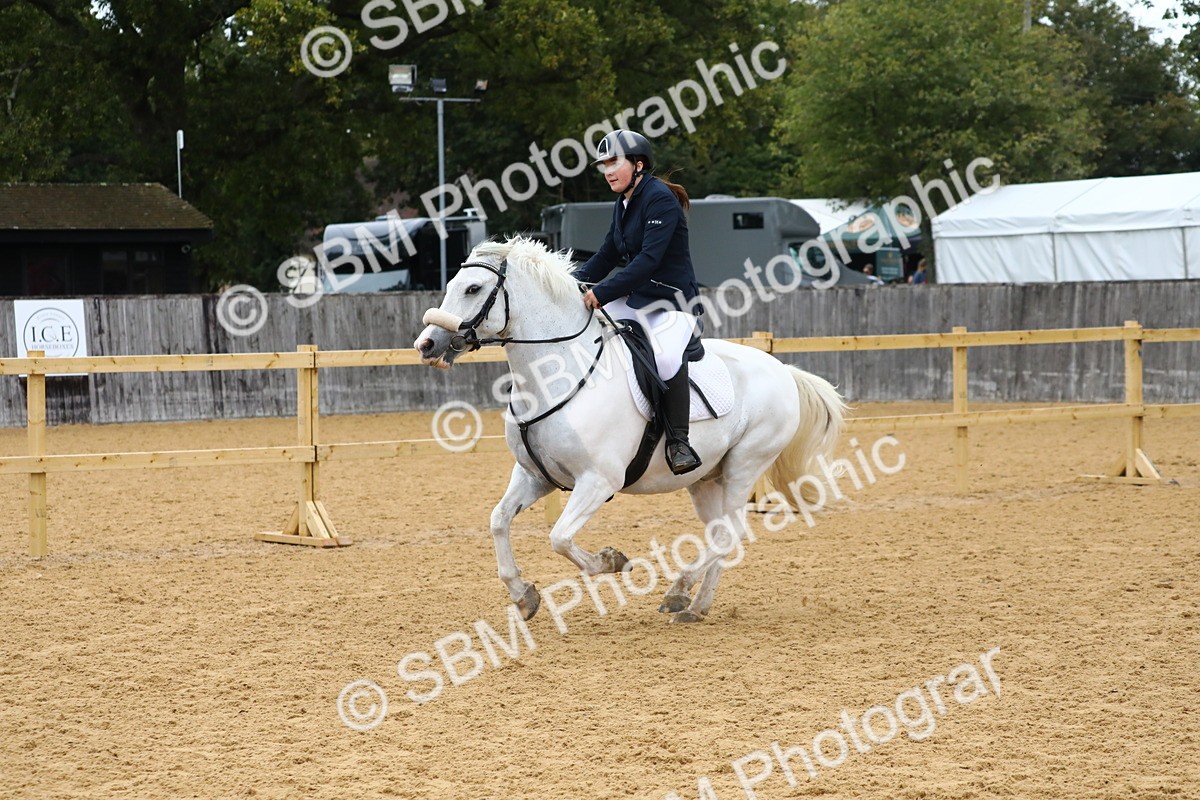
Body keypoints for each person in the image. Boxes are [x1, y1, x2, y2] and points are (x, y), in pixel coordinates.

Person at [575, 129, 703, 476]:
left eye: (614, 162)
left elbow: (646, 260)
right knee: (587, 329)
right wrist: (572, 284)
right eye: (603, 165)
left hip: (671, 302)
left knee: (663, 358)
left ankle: (679, 442)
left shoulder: (659, 199)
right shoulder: (624, 202)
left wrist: (601, 293)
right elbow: (607, 254)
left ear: (639, 164)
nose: (608, 171)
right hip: (637, 298)